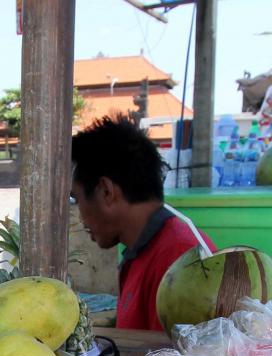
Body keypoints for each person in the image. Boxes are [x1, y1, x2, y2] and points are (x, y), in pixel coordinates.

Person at [70, 116, 215, 332]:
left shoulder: (180, 261)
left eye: (77, 198)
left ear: (106, 191)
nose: (80, 215)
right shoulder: (139, 250)